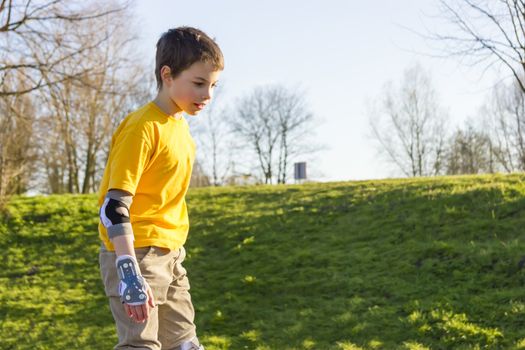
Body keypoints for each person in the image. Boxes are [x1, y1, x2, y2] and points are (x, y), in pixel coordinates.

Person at [97, 26, 224, 350]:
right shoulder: (142, 127)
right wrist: (129, 272)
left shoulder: (181, 131)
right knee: (140, 345)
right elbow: (113, 207)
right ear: (167, 75)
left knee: (185, 345)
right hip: (135, 254)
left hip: (170, 254)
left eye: (212, 85)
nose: (207, 94)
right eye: (198, 83)